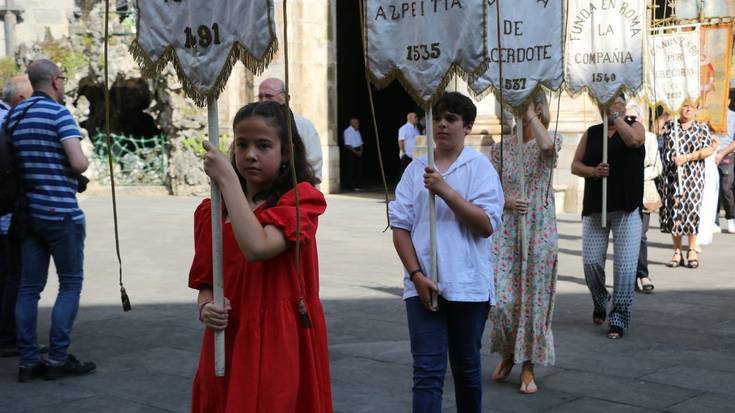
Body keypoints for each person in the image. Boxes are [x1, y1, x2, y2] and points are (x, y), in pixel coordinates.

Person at [189, 101, 332, 412]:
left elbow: (258, 247)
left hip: (280, 337)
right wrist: (206, 306)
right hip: (229, 333)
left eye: (263, 145)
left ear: (286, 153)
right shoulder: (211, 211)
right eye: (242, 144)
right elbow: (207, 282)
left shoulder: (301, 200)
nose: (250, 154)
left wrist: (226, 181)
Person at [389, 92, 504, 412]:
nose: (441, 124)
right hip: (422, 284)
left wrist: (444, 190)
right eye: (436, 118)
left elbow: (485, 225)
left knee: (467, 369)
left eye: (450, 119)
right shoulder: (415, 169)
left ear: (466, 126)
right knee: (426, 371)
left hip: (467, 286)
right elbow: (400, 227)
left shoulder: (479, 167)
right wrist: (416, 275)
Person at [10, 59, 94, 382]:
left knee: (29, 288)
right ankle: (58, 358)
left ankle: (28, 361)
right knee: (70, 283)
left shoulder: (17, 114)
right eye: (63, 77)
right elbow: (77, 163)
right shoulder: (60, 114)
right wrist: (83, 159)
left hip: (29, 214)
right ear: (56, 82)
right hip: (61, 214)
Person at [488, 92, 561, 394]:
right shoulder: (499, 149)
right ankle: (508, 352)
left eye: (531, 104)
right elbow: (487, 190)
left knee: (533, 300)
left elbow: (546, 150)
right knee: (502, 300)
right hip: (506, 230)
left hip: (538, 229)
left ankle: (527, 365)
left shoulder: (551, 139)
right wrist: (505, 200)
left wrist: (531, 114)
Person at [571, 94, 645, 340]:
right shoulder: (592, 132)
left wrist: (617, 118)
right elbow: (575, 165)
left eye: (617, 101)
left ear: (624, 105)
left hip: (626, 207)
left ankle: (619, 317)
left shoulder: (634, 125)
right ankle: (601, 299)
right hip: (595, 207)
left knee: (624, 267)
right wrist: (593, 171)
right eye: (607, 101)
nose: (611, 105)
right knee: (591, 262)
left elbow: (634, 142)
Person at [659, 101, 715, 269]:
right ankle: (677, 252)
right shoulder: (671, 126)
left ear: (697, 109)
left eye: (691, 106)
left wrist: (688, 157)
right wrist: (667, 110)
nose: (688, 109)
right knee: (674, 211)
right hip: (671, 175)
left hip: (693, 175)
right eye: (684, 106)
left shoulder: (701, 127)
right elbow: (657, 131)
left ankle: (691, 250)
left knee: (691, 210)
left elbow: (708, 149)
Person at [0, 75, 33, 357]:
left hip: (9, 210)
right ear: (22, 100)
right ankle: (12, 337)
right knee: (18, 277)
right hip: (11, 213)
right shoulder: (9, 122)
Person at [257, 78, 323, 181]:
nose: (263, 101)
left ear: (286, 98)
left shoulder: (303, 126)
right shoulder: (254, 125)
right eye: (260, 96)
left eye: (269, 96)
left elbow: (314, 166)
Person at [626, 104, 661, 294]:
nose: (631, 121)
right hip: (624, 192)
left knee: (640, 235)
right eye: (627, 118)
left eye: (634, 118)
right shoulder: (620, 137)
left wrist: (635, 174)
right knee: (627, 237)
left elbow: (657, 167)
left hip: (644, 191)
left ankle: (643, 274)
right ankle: (628, 276)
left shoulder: (650, 138)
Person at [715, 100, 735, 234]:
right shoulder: (710, 116)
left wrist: (722, 153)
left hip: (727, 154)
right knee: (712, 189)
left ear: (727, 100)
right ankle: (714, 221)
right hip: (711, 155)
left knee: (726, 188)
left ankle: (731, 217)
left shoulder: (733, 116)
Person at [697, 130, 719, 247]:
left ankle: (701, 238)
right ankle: (695, 240)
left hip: (709, 169)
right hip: (695, 168)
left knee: (708, 204)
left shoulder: (714, 135)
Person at [342, 117, 364, 191]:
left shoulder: (357, 131)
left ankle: (358, 185)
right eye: (356, 123)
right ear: (352, 124)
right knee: (351, 169)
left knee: (358, 169)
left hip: (358, 150)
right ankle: (350, 185)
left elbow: (361, 142)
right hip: (351, 151)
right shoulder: (347, 131)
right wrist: (356, 152)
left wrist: (360, 151)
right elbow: (347, 144)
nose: (358, 124)